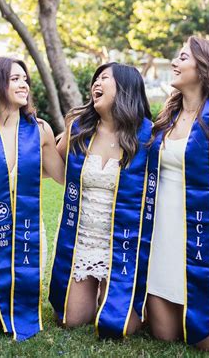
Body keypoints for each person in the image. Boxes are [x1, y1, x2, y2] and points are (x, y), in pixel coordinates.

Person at [146, 36, 209, 351]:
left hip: (202, 232)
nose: (174, 63)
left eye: (182, 57)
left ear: (205, 67)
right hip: (164, 237)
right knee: (164, 333)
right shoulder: (167, 117)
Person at [0, 56, 64, 341]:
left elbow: (61, 176)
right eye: (15, 79)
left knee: (13, 318)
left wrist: (77, 130)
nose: (24, 84)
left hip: (26, 233)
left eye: (25, 79)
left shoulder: (39, 130)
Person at [49, 62, 155, 339]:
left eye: (104, 78)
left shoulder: (149, 136)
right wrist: (42, 135)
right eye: (95, 78)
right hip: (83, 239)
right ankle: (94, 288)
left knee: (122, 326)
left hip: (123, 244)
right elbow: (52, 166)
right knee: (71, 320)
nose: (96, 83)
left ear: (126, 88)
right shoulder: (79, 129)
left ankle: (108, 289)